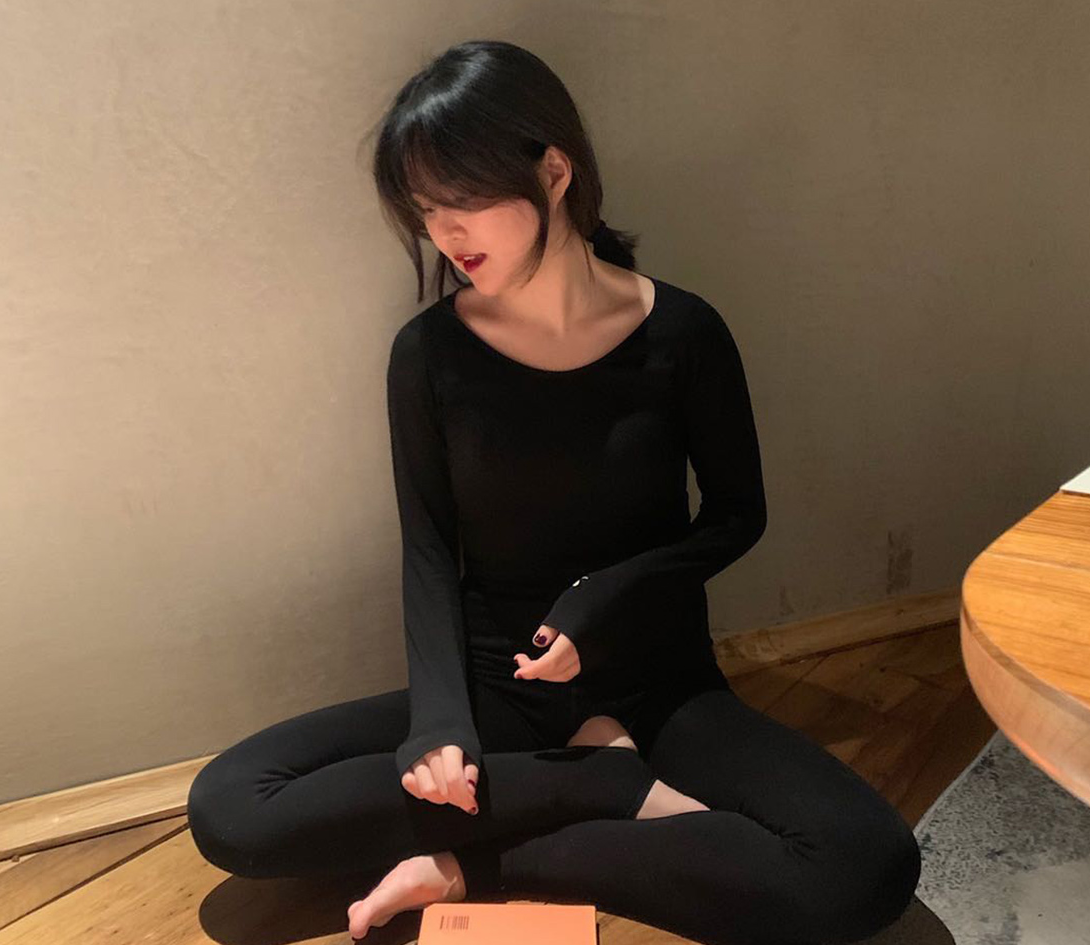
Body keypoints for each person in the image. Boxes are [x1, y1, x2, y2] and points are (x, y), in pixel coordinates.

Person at [187, 39, 921, 945]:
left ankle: (483, 862)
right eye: (425, 211)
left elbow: (736, 516)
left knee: (863, 863)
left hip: (658, 681)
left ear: (553, 171)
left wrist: (603, 596)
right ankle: (602, 783)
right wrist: (439, 725)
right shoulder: (428, 354)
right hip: (495, 689)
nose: (444, 235)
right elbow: (428, 550)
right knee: (233, 807)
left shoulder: (683, 332)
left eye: (462, 201)